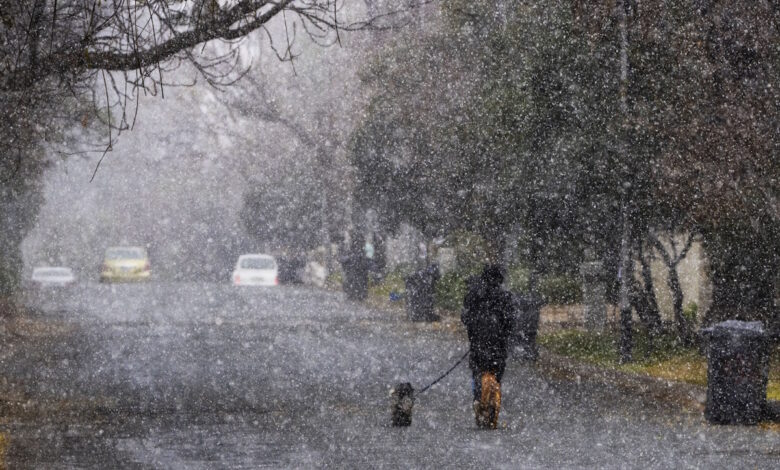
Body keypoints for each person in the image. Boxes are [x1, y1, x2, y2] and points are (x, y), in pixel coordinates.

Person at [461, 264, 516, 426]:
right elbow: (510, 322)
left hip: (478, 343)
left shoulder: (473, 296)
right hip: (498, 345)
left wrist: (475, 329)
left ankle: (478, 399)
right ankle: (494, 397)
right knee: (496, 373)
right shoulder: (505, 297)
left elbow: (465, 318)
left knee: (477, 372)